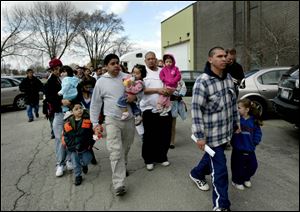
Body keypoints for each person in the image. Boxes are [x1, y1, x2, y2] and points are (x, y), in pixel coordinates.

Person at [189, 47, 240, 211]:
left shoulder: (228, 78)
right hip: (210, 136)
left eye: (225, 56)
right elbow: (196, 110)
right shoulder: (202, 82)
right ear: (210, 59)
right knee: (220, 171)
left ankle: (196, 173)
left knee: (211, 158)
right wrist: (199, 136)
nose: (224, 58)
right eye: (219, 56)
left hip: (225, 133)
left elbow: (232, 103)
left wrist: (236, 123)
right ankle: (221, 206)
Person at [90, 53, 136, 196]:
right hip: (112, 120)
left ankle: (123, 164)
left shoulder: (127, 77)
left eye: (117, 62)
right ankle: (119, 183)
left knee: (126, 148)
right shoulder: (101, 82)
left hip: (128, 119)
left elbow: (138, 93)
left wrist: (134, 97)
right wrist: (95, 123)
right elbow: (96, 103)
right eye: (112, 63)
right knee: (115, 151)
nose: (116, 65)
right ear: (106, 66)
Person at [139, 51, 173, 171]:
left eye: (153, 58)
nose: (151, 61)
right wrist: (158, 90)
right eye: (149, 59)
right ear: (145, 61)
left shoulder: (163, 70)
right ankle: (149, 159)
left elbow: (171, 83)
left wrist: (169, 90)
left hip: (164, 108)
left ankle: (162, 157)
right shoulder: (142, 73)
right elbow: (140, 89)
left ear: (156, 59)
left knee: (164, 134)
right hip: (149, 109)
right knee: (149, 136)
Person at [44, 58, 73, 177]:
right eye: (54, 69)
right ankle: (60, 164)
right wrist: (61, 102)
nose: (56, 71)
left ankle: (69, 160)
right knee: (60, 139)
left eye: (58, 68)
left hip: (69, 113)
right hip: (58, 113)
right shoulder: (50, 82)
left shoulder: (65, 79)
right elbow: (49, 99)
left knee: (70, 137)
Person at [231, 98, 263, 190]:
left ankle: (246, 178)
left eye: (239, 108)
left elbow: (258, 132)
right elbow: (230, 131)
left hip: (250, 148)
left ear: (247, 109)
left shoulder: (253, 121)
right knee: (238, 166)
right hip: (238, 149)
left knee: (253, 165)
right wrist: (234, 133)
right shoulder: (236, 120)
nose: (237, 109)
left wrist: (255, 142)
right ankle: (236, 181)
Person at [62, 102, 94, 186]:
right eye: (76, 109)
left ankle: (84, 165)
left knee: (87, 159)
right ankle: (78, 176)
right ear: (72, 112)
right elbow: (66, 136)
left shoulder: (88, 120)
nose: (79, 110)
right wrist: (71, 145)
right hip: (73, 147)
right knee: (75, 162)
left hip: (85, 146)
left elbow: (92, 133)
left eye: (80, 108)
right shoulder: (68, 123)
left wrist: (90, 143)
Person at [169, 79, 187, 149]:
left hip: (175, 103)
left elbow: (183, 87)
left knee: (173, 125)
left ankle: (172, 142)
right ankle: (165, 140)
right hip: (165, 103)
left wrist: (180, 94)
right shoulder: (163, 77)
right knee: (165, 125)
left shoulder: (179, 79)